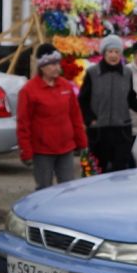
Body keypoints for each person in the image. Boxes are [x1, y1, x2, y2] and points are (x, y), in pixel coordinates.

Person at [79, 35, 137, 174]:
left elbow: (130, 98)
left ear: (121, 54)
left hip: (121, 131)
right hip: (99, 132)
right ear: (104, 53)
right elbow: (83, 100)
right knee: (98, 172)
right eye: (110, 52)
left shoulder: (127, 73)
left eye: (117, 52)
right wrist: (90, 119)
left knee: (120, 173)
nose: (113, 55)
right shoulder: (92, 73)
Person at [17, 43, 87, 188]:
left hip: (66, 149)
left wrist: (82, 143)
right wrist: (26, 151)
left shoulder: (66, 86)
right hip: (42, 151)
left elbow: (75, 117)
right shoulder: (29, 90)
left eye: (58, 63)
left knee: (68, 190)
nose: (57, 68)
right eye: (52, 64)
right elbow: (23, 124)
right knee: (44, 190)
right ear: (42, 67)